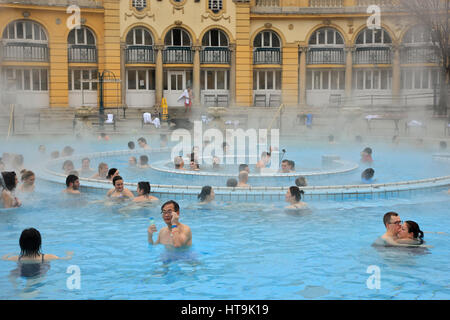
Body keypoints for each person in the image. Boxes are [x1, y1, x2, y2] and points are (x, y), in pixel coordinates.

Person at [2, 228, 72, 274]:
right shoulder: (48, 257)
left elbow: (3, 259)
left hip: (22, 273)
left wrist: (8, 254)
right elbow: (65, 259)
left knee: (13, 273)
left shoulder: (16, 258)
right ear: (39, 243)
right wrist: (69, 254)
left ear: (21, 244)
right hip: (39, 274)